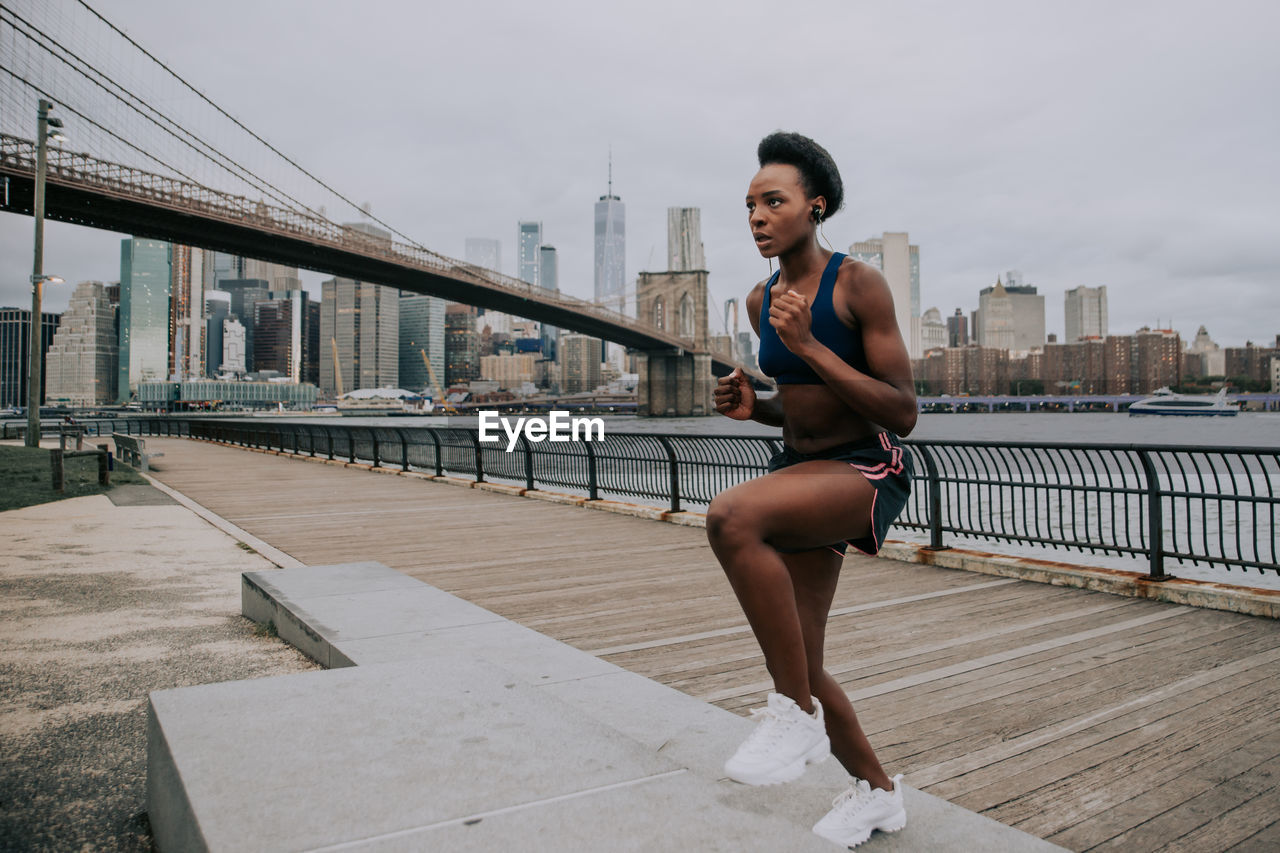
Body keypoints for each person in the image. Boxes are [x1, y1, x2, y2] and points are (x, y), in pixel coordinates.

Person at [707, 131, 917, 849]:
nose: (757, 216)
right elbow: (798, 405)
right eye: (749, 205)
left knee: (732, 517)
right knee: (804, 656)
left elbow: (902, 411)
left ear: (814, 206)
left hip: (869, 468)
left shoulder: (857, 283)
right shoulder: (760, 295)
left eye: (774, 201)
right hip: (802, 469)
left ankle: (791, 715)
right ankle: (878, 794)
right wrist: (754, 406)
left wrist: (810, 346)